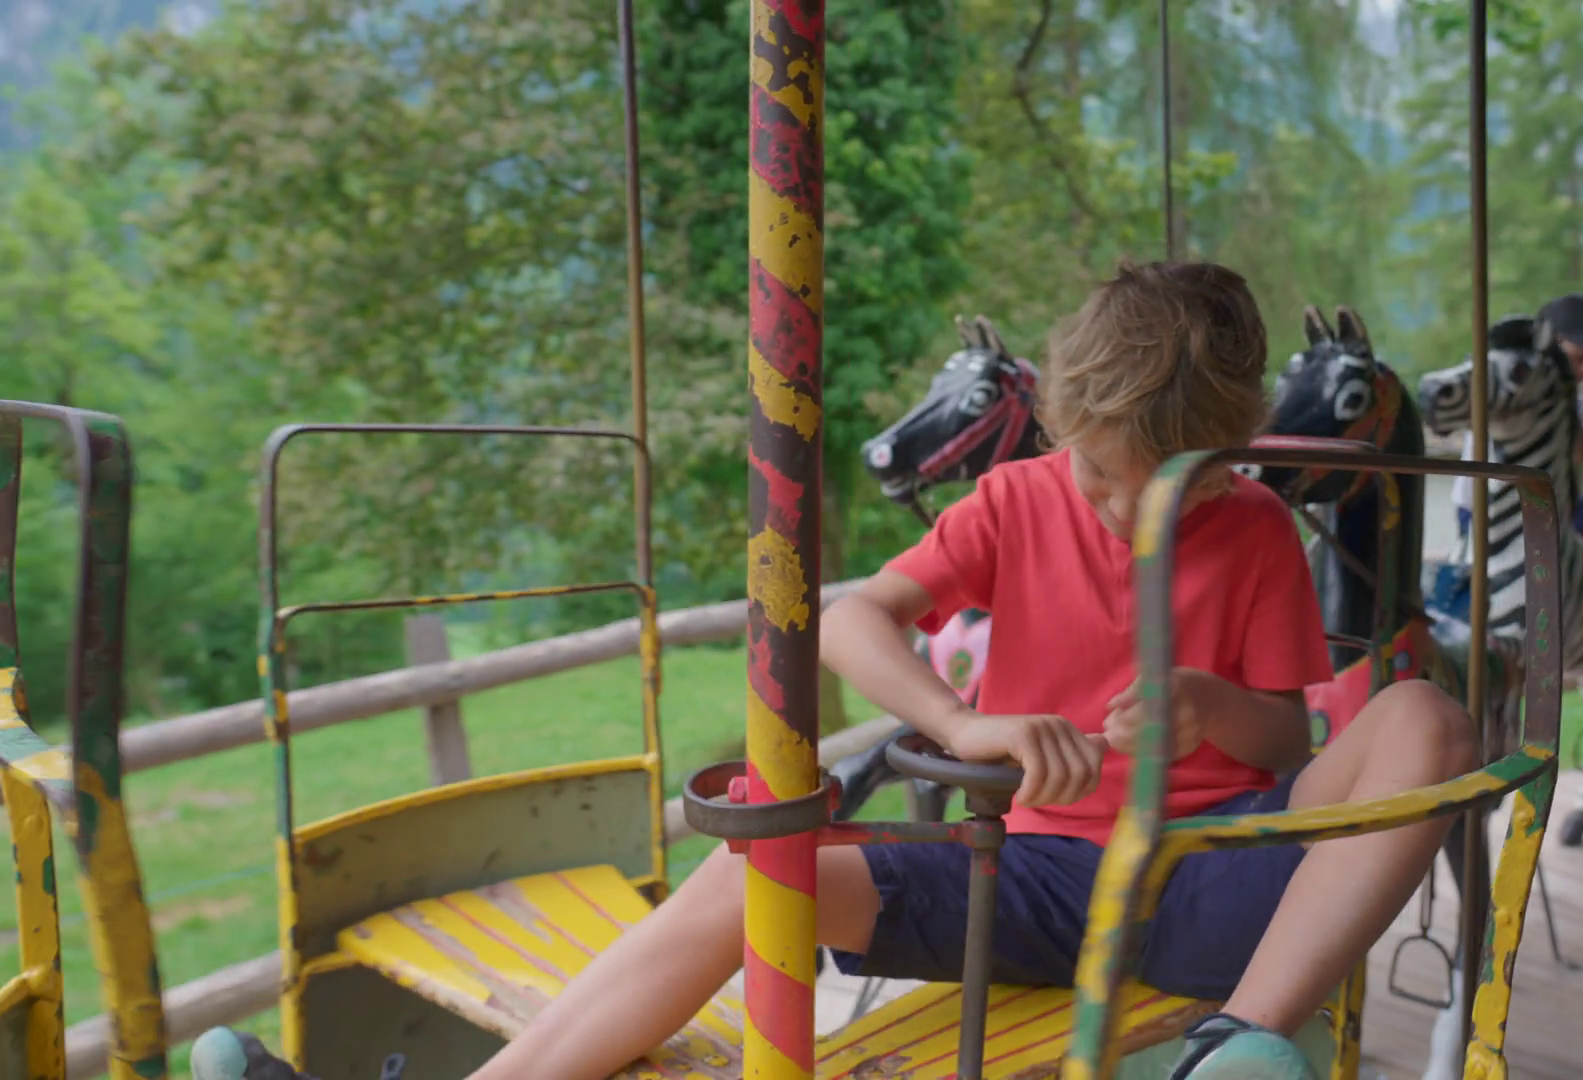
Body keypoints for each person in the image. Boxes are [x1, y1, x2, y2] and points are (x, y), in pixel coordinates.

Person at [192, 261, 1479, 1080]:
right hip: (1033, 877)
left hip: (1220, 875)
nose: (1124, 506)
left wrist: (1206, 705)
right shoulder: (1015, 502)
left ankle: (1235, 1045)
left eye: (1167, 487)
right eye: (1099, 470)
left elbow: (1282, 749)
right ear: (1063, 428)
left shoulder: (1251, 529)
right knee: (759, 866)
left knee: (1424, 711)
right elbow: (856, 622)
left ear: (1224, 453)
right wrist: (962, 724)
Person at [1452, 293, 1583, 551]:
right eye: (1579, 359)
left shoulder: (1566, 395)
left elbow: (1578, 454)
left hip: (1543, 500)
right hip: (1498, 504)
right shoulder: (1518, 390)